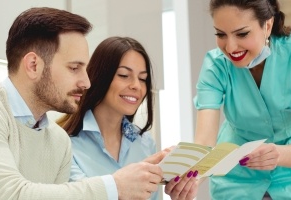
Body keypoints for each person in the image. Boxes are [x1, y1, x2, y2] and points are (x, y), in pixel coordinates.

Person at [0, 7, 163, 200]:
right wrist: (114, 186)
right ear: (33, 65)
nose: (86, 82)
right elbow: (13, 195)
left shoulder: (57, 141)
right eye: (74, 68)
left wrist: (152, 180)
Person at [193, 0, 291, 199]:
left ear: (267, 25)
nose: (230, 47)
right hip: (235, 180)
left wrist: (278, 154)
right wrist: (193, 176)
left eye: (242, 34)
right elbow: (205, 141)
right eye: (221, 34)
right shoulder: (215, 66)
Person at [57, 36, 201, 200]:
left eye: (142, 79)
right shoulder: (64, 144)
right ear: (100, 76)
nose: (136, 86)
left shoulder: (145, 143)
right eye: (124, 75)